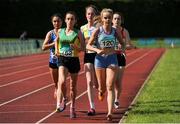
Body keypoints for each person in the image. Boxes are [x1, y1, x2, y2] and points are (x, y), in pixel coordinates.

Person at [86, 8, 124, 121]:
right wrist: (97, 50)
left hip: (112, 59)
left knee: (110, 86)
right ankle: (101, 91)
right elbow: (88, 46)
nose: (107, 19)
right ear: (102, 19)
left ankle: (109, 113)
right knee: (102, 88)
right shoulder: (98, 30)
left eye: (109, 18)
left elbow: (122, 43)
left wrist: (120, 47)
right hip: (100, 60)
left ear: (112, 19)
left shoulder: (115, 31)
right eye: (105, 17)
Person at [55, 11, 84, 119]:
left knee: (73, 86)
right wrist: (57, 50)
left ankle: (72, 107)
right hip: (62, 59)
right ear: (65, 20)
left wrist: (76, 48)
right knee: (61, 82)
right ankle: (64, 98)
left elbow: (83, 48)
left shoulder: (78, 33)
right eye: (68, 19)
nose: (69, 21)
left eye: (72, 19)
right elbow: (56, 41)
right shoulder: (60, 31)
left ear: (75, 21)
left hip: (74, 60)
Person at [112, 12, 135, 109]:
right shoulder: (108, 30)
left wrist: (123, 46)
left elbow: (130, 45)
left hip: (121, 57)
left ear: (121, 21)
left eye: (119, 19)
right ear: (112, 20)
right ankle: (111, 98)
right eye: (115, 18)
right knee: (111, 80)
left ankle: (116, 99)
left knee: (118, 81)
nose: (117, 20)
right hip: (111, 57)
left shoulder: (124, 31)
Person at [80, 5, 98, 116]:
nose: (90, 15)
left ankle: (101, 89)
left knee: (99, 84)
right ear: (86, 15)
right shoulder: (82, 28)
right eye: (88, 13)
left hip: (99, 56)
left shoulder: (99, 27)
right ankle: (92, 107)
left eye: (92, 13)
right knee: (89, 81)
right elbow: (82, 46)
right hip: (88, 56)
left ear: (95, 15)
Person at [42, 13, 62, 99]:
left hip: (63, 61)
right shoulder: (50, 33)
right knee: (56, 83)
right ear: (52, 22)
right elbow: (43, 47)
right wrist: (55, 43)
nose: (56, 23)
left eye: (58, 21)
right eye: (54, 21)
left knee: (62, 82)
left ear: (62, 22)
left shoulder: (65, 32)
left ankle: (62, 96)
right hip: (53, 61)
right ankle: (56, 89)